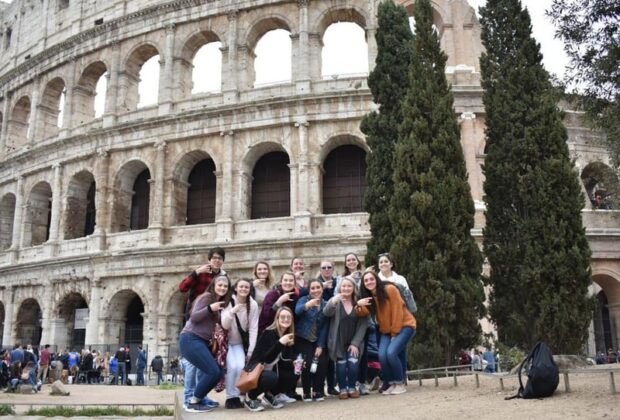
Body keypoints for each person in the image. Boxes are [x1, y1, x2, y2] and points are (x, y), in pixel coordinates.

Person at [357, 270, 416, 396]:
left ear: (376, 279)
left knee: (391, 353)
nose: (369, 282)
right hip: (386, 330)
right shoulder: (370, 296)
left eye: (371, 279)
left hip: (405, 326)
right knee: (382, 355)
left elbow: (397, 311)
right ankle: (391, 383)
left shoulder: (389, 289)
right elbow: (362, 313)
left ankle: (400, 383)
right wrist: (358, 304)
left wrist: (395, 333)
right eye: (366, 280)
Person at [179, 274, 232, 413]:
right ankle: (193, 402)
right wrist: (210, 308)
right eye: (220, 285)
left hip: (201, 341)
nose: (222, 288)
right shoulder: (207, 297)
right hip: (191, 339)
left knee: (218, 371)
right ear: (214, 285)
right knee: (213, 371)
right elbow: (194, 317)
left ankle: (200, 398)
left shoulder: (219, 302)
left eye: (225, 286)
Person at [243, 306, 297, 412]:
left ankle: (269, 394)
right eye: (282, 317)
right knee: (271, 377)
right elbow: (266, 358)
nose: (286, 319)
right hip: (256, 369)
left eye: (288, 317)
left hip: (271, 368)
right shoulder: (269, 333)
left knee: (294, 372)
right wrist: (280, 343)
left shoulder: (287, 335)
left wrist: (295, 361)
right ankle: (250, 397)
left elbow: (287, 358)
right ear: (277, 319)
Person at [324, 276, 369, 399]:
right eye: (344, 286)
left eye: (349, 286)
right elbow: (326, 313)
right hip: (338, 340)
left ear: (354, 288)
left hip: (355, 340)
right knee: (342, 366)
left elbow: (363, 324)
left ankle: (352, 387)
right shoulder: (336, 301)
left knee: (353, 364)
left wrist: (355, 343)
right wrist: (333, 301)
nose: (346, 288)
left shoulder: (359, 302)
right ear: (340, 288)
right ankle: (343, 388)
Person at [221, 278, 259, 409]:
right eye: (241, 287)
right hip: (226, 341)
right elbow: (224, 325)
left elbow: (254, 328)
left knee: (241, 365)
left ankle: (237, 396)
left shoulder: (252, 304)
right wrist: (232, 312)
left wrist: (251, 350)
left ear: (249, 290)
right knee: (232, 365)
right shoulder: (229, 301)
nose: (243, 289)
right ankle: (230, 397)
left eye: (246, 287)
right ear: (236, 288)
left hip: (239, 342)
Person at [295, 279, 329, 402]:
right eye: (312, 288)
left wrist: (320, 345)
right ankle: (306, 391)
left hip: (318, 339)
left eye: (318, 287)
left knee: (321, 362)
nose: (315, 290)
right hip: (304, 338)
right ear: (309, 290)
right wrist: (307, 306)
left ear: (322, 289)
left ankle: (318, 390)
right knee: (307, 364)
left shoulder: (325, 304)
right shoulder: (304, 300)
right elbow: (297, 311)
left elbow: (325, 327)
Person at [179, 247, 227, 321]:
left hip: (212, 311)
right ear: (209, 260)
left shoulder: (223, 276)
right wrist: (196, 272)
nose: (217, 260)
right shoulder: (200, 272)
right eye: (214, 258)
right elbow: (183, 288)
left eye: (220, 258)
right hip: (195, 309)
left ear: (223, 261)